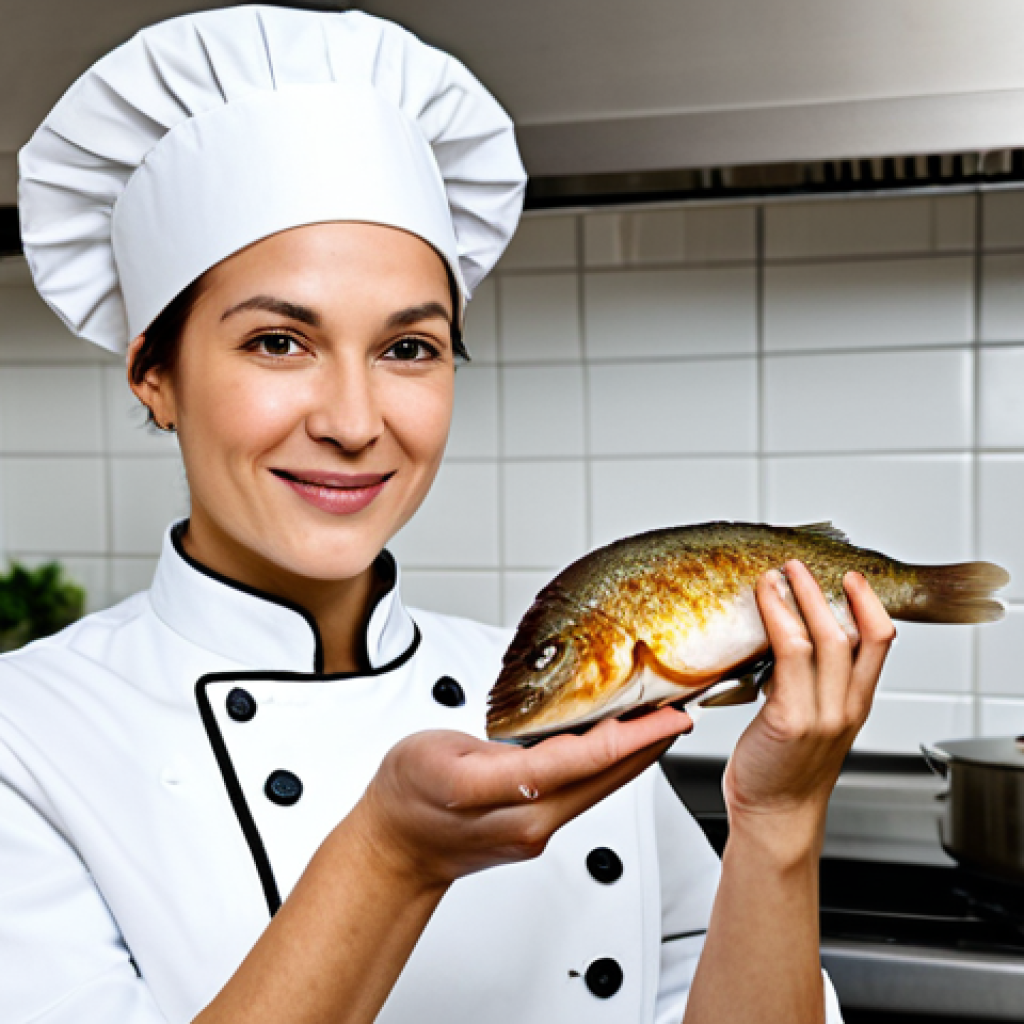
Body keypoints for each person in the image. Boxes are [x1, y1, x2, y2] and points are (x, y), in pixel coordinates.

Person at [3, 7, 895, 1024]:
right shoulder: (27, 740)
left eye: (409, 348)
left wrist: (776, 821)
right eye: (278, 343)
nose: (352, 421)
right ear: (155, 377)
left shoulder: (560, 689)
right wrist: (391, 856)